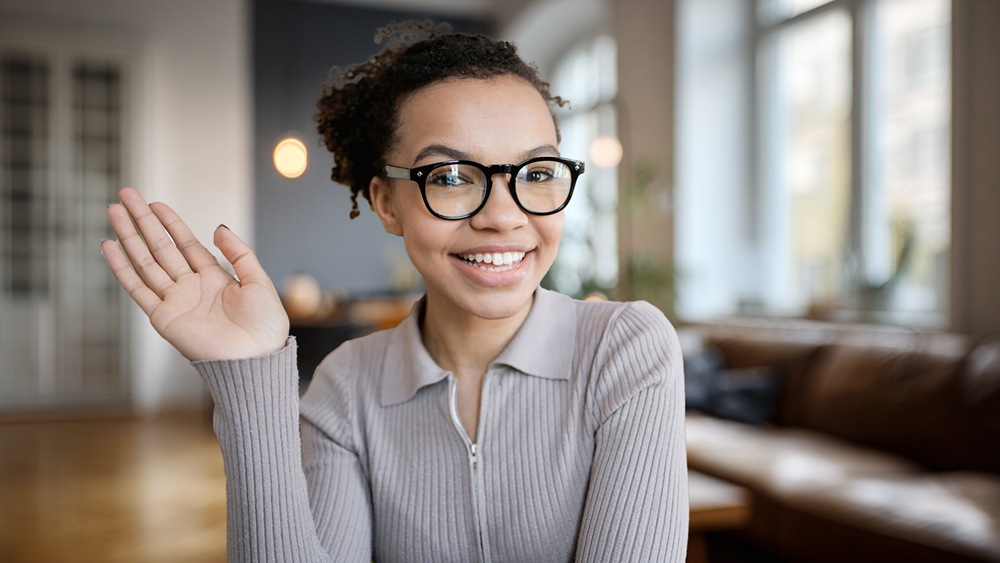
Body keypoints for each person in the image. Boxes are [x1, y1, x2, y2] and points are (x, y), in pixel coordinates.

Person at [101, 21, 688, 563]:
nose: (504, 218)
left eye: (534, 173)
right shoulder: (345, 390)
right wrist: (250, 374)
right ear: (386, 202)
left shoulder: (626, 350)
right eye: (452, 178)